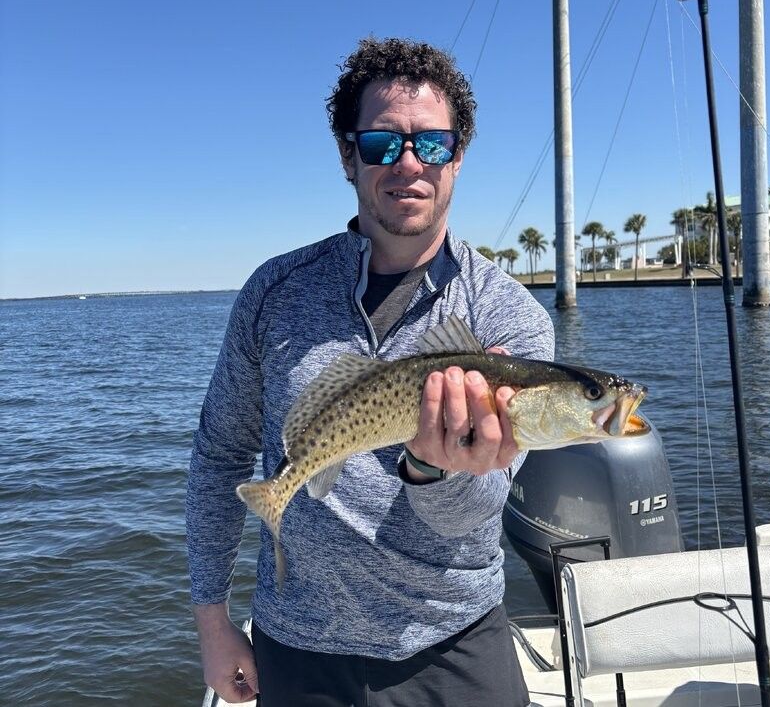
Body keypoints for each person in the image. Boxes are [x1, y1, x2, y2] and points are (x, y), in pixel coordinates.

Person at [186, 37, 554, 706]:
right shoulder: (274, 292)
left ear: (458, 157)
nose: (409, 162)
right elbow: (219, 456)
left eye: (431, 144)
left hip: (454, 642)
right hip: (296, 646)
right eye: (383, 143)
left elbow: (473, 513)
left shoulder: (511, 319)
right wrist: (213, 620)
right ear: (348, 157)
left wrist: (435, 468)